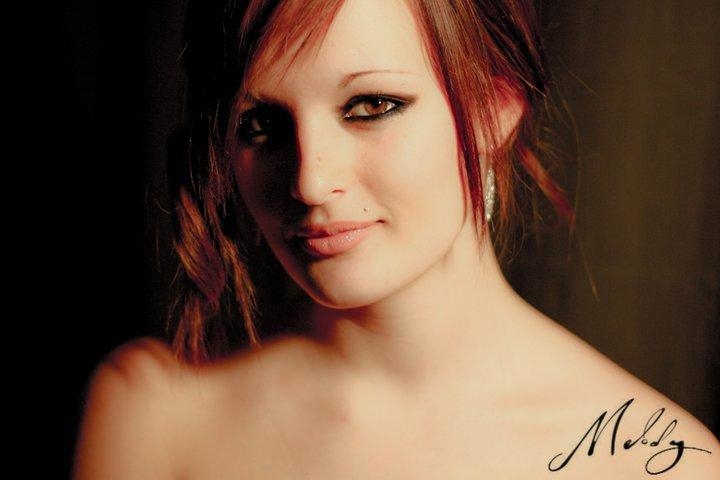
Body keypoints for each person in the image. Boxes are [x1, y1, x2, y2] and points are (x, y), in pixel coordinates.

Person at [73, 0, 720, 478]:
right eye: (260, 123)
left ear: (495, 108)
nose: (310, 181)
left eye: (371, 106)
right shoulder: (151, 412)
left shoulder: (663, 463)